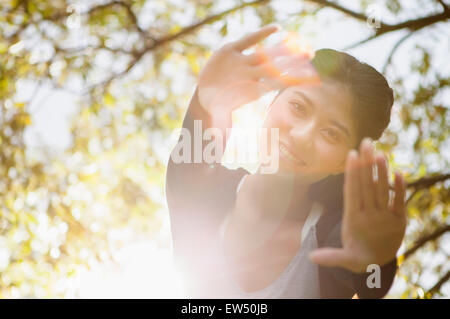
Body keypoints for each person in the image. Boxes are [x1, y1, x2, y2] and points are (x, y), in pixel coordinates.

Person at [165, 25, 407, 299]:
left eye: (331, 133)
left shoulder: (333, 235)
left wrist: (374, 264)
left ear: (343, 162)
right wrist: (205, 102)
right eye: (298, 107)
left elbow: (371, 285)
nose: (302, 136)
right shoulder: (204, 194)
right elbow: (189, 164)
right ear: (272, 104)